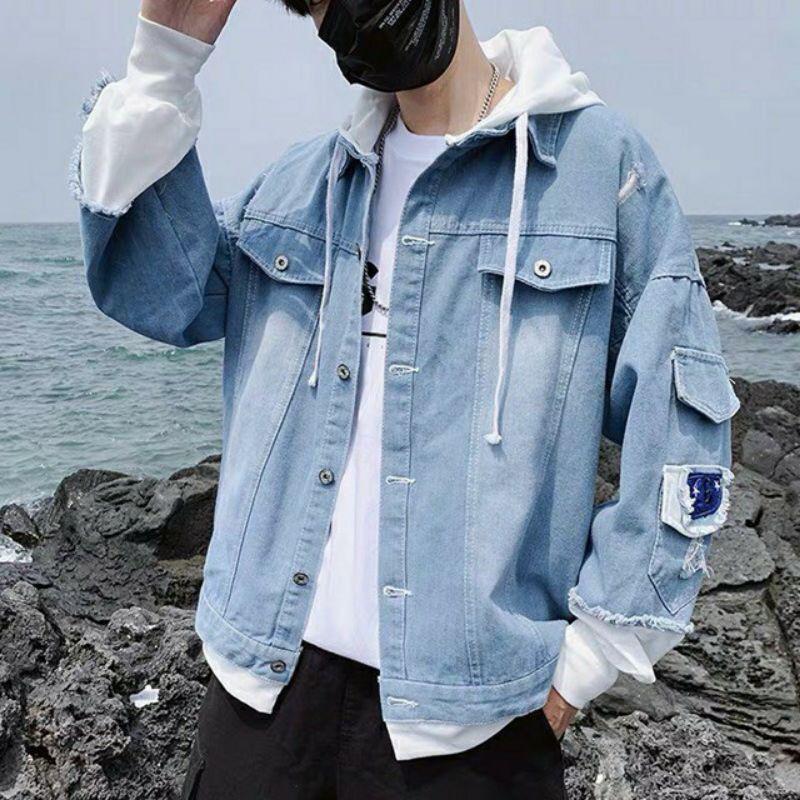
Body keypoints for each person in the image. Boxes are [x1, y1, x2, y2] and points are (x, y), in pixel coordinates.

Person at [71, 1, 739, 797]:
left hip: (476, 729)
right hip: (260, 698)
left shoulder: (597, 171)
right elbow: (157, 291)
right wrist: (162, 64)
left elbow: (683, 426)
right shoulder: (302, 186)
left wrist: (593, 658)